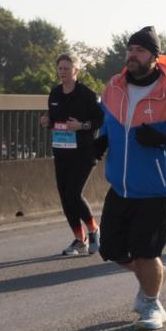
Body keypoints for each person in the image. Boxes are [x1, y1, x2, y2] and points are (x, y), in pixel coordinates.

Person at [98, 26, 166, 330]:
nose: (132, 55)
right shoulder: (113, 87)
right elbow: (107, 123)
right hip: (120, 186)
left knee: (145, 252)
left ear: (155, 57)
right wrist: (101, 140)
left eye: (140, 50)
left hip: (155, 190)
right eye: (130, 49)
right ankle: (151, 274)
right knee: (112, 250)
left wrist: (161, 138)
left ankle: (152, 304)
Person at [39, 53, 105, 255]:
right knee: (65, 197)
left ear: (76, 70)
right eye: (60, 68)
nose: (62, 72)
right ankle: (79, 239)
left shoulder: (87, 95)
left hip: (84, 153)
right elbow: (53, 119)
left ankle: (94, 230)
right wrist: (46, 122)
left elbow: (99, 121)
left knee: (73, 193)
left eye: (67, 68)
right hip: (61, 152)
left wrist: (81, 125)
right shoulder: (55, 94)